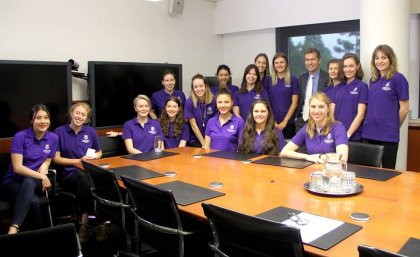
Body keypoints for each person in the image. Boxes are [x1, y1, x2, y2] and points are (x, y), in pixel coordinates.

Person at [2, 104, 58, 234]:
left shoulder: (53, 138)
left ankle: (14, 228)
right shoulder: (20, 136)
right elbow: (17, 168)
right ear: (31, 121)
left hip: (34, 182)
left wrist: (45, 165)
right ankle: (38, 234)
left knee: (29, 182)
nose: (43, 121)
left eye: (46, 117)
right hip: (13, 182)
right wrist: (43, 176)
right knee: (33, 201)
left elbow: (49, 157)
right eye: (38, 118)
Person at [53, 103, 105, 242]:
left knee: (101, 180)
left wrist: (95, 156)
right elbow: (56, 159)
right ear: (71, 113)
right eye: (77, 113)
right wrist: (78, 161)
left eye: (83, 115)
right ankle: (98, 222)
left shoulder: (90, 131)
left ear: (87, 118)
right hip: (69, 173)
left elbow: (99, 152)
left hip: (88, 171)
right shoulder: (59, 131)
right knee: (84, 179)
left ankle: (85, 220)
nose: (79, 117)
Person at [362, 44, 409, 169]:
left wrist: (393, 126)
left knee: (388, 173)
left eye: (384, 58)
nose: (380, 61)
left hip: (388, 135)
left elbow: (404, 109)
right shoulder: (373, 80)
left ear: (391, 59)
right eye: (376, 58)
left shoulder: (398, 79)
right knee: (368, 174)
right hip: (368, 134)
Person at [280, 92, 348, 163]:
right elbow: (284, 152)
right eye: (313, 107)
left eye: (321, 107)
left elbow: (342, 159)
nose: (316, 111)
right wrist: (307, 157)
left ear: (328, 108)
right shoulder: (307, 128)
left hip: (332, 171)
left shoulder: (338, 128)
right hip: (312, 171)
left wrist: (319, 156)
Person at [331, 54, 368, 141]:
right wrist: (336, 132)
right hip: (337, 135)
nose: (348, 70)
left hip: (354, 136)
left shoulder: (362, 86)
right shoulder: (337, 87)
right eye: (345, 66)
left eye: (351, 66)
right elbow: (331, 113)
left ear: (357, 66)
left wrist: (347, 135)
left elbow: (361, 115)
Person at [265, 52, 299, 139]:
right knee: (272, 150)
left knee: (287, 150)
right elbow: (266, 103)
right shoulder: (268, 80)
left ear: (286, 63)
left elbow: (295, 103)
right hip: (272, 122)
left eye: (282, 62)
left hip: (289, 122)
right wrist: (272, 121)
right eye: (276, 63)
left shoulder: (293, 79)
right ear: (273, 65)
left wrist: (285, 121)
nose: (279, 65)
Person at [296, 48, 329, 132]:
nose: (309, 62)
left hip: (320, 121)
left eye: (312, 59)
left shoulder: (327, 78)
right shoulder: (301, 78)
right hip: (301, 121)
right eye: (307, 60)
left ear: (319, 60)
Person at [184, 74, 218, 147]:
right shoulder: (189, 102)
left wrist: (208, 141)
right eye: (195, 87)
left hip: (212, 137)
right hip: (196, 139)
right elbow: (193, 126)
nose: (199, 89)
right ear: (193, 89)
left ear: (205, 86)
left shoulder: (214, 100)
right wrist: (204, 143)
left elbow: (215, 123)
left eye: (201, 86)